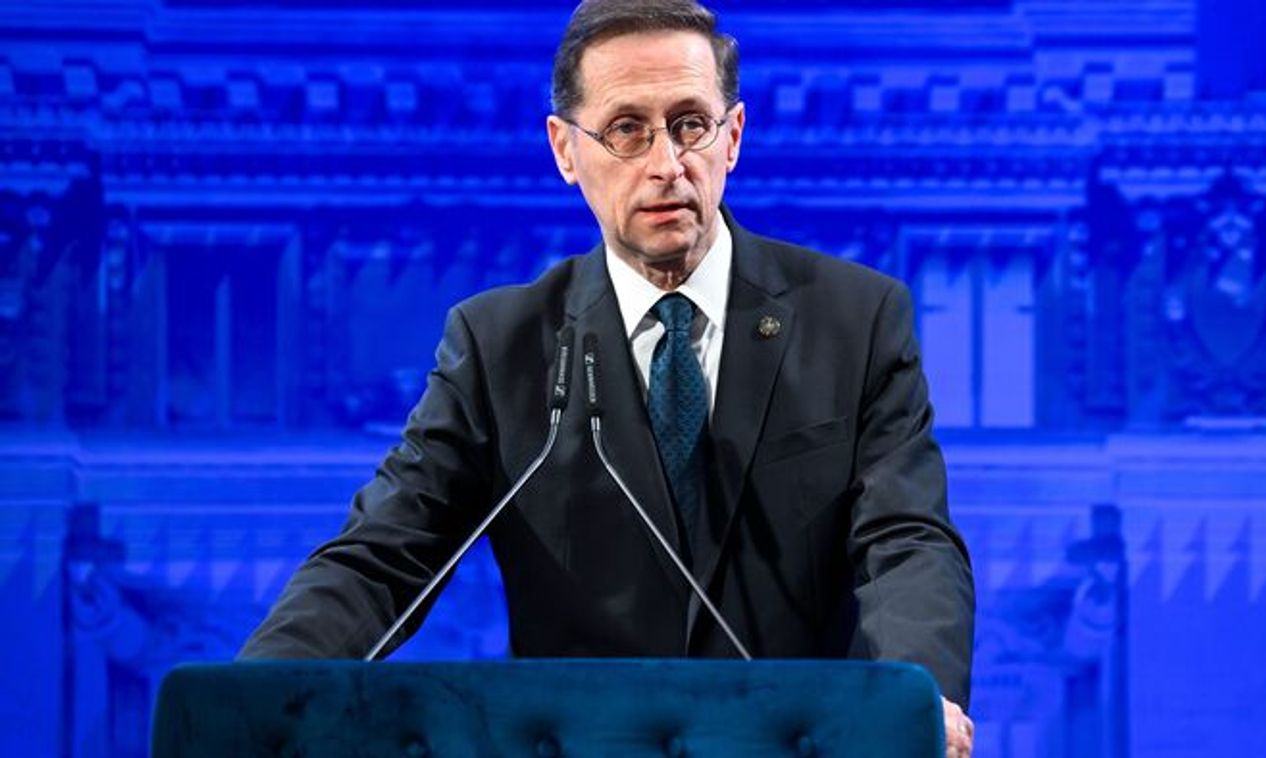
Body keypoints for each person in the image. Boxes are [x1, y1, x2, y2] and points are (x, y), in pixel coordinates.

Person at [240, 1, 975, 754]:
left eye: (691, 124)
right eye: (627, 129)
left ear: (733, 137)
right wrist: (249, 701)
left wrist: (919, 697)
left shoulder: (855, 319)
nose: (667, 164)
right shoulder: (500, 348)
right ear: (565, 149)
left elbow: (906, 540)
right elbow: (384, 555)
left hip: (797, 741)